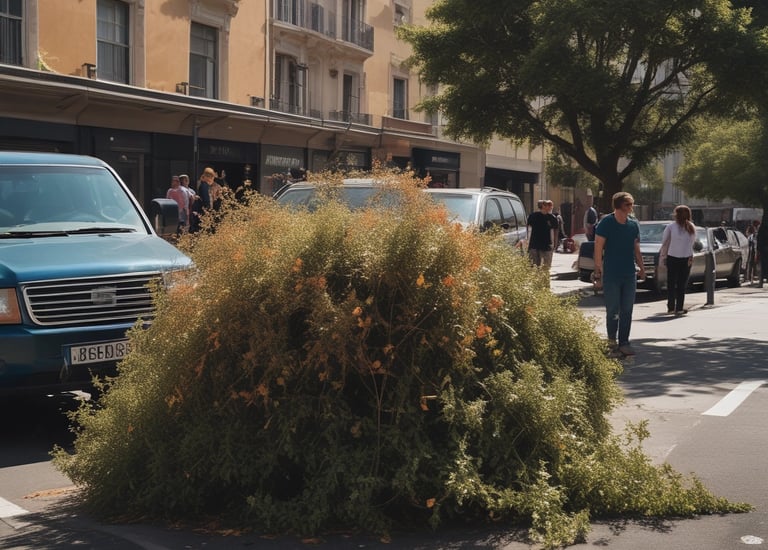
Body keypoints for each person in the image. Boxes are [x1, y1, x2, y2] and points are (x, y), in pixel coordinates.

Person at [592, 192, 646, 356]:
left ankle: (624, 343)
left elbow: (636, 248)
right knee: (613, 310)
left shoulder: (633, 224)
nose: (631, 208)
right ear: (618, 205)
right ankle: (611, 344)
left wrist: (642, 268)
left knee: (627, 310)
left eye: (631, 205)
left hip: (629, 273)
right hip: (611, 273)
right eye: (627, 205)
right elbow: (598, 247)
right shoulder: (606, 223)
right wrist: (597, 271)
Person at [659, 205, 697, 316]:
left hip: (672, 257)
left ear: (676, 214)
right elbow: (692, 243)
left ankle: (671, 307)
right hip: (687, 258)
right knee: (682, 284)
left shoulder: (671, 227)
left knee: (671, 283)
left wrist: (663, 257)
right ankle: (679, 308)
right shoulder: (691, 227)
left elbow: (664, 242)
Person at [526, 199, 559, 277]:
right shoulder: (533, 216)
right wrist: (527, 242)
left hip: (546, 245)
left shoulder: (552, 218)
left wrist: (555, 243)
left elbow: (555, 231)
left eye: (551, 206)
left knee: (545, 267)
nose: (550, 207)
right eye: (548, 205)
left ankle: (544, 283)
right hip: (534, 245)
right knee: (534, 267)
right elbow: (528, 229)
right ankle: (535, 284)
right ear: (543, 206)